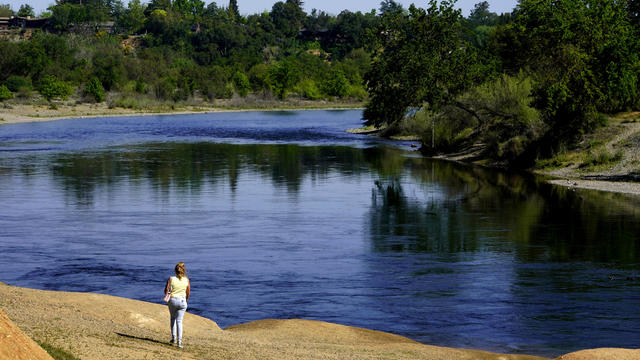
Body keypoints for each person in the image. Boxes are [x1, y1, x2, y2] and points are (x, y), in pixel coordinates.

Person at [164, 262, 190, 348]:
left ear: (175, 270)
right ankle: (179, 343)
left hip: (173, 300)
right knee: (179, 321)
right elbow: (188, 292)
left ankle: (173, 338)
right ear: (184, 270)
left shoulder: (171, 279)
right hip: (182, 301)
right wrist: (185, 300)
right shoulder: (187, 280)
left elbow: (166, 290)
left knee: (173, 319)